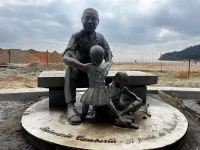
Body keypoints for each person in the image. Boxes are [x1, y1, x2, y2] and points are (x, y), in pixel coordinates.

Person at [62, 8, 112, 125]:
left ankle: (100, 104)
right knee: (69, 69)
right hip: (79, 72)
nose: (90, 21)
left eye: (93, 19)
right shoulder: (76, 36)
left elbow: (108, 54)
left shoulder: (101, 38)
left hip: (95, 73)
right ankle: (70, 106)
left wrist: (107, 66)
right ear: (82, 20)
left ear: (98, 21)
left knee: (105, 74)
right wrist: (82, 66)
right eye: (87, 18)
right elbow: (66, 57)